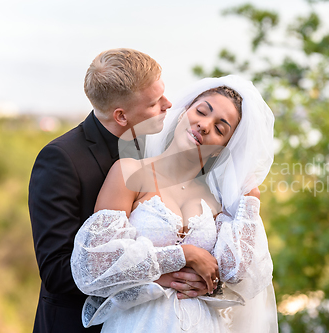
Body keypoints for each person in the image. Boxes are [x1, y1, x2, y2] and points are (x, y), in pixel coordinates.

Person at [71, 75, 278, 332]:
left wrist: (249, 201)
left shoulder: (218, 200)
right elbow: (94, 266)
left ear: (221, 149)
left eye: (219, 128)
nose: (204, 125)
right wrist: (184, 256)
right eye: (201, 112)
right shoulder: (129, 172)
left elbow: (237, 273)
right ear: (182, 113)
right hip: (138, 324)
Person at [29, 48, 207, 333]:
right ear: (121, 116)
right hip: (77, 325)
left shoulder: (146, 141)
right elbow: (57, 272)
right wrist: (158, 273)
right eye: (154, 102)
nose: (168, 104)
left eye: (163, 93)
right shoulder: (60, 160)